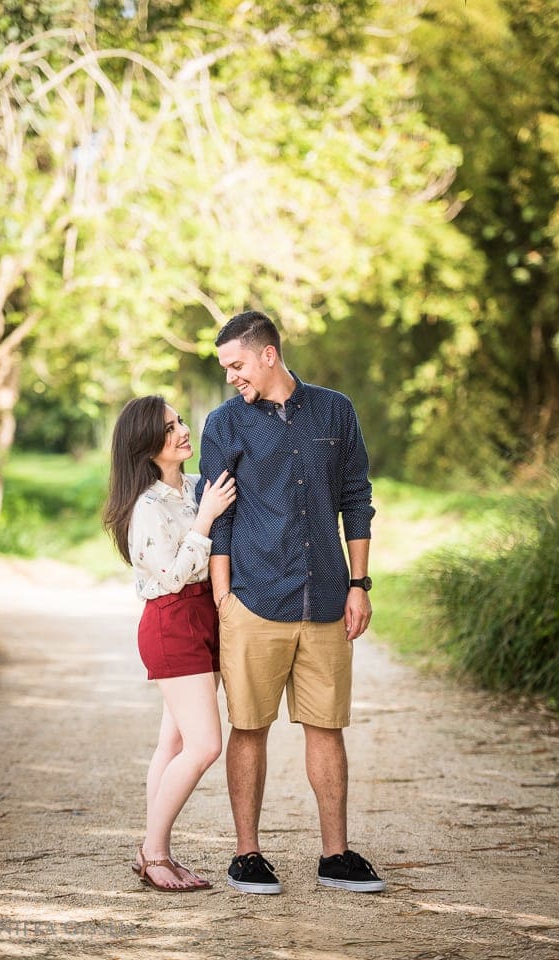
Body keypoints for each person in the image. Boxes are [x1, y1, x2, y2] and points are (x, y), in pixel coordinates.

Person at [197, 310, 385, 895]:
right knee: (249, 727)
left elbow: (356, 496)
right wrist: (223, 596)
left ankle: (336, 855)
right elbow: (217, 512)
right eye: (225, 366)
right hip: (253, 599)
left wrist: (359, 584)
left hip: (327, 598)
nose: (231, 376)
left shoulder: (335, 411)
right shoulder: (224, 424)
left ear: (269, 355)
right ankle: (247, 855)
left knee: (327, 727)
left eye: (237, 364)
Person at [103, 395, 236, 892]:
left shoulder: (198, 487)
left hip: (205, 617)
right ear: (146, 446)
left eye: (179, 421)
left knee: (174, 741)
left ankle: (154, 848)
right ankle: (154, 852)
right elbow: (173, 576)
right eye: (168, 428)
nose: (182, 431)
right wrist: (205, 521)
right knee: (204, 744)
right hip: (173, 619)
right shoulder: (147, 508)